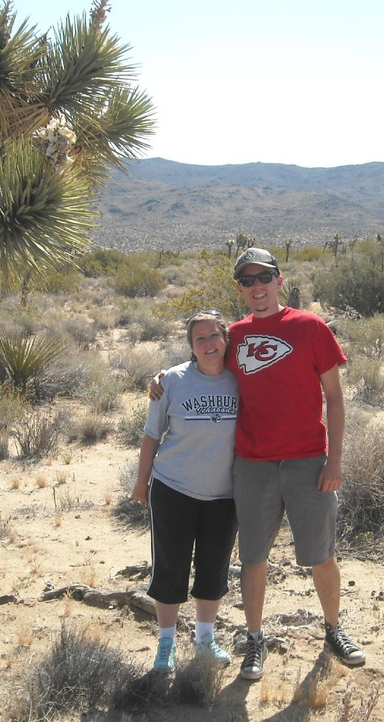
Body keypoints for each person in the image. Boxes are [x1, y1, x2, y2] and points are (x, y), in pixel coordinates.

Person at [151, 248, 366, 680]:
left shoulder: (311, 327)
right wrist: (159, 377)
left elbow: (336, 397)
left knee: (321, 554)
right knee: (253, 558)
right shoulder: (235, 336)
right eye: (247, 281)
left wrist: (335, 459)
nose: (257, 287)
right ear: (240, 289)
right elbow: (201, 362)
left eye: (264, 277)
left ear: (279, 280)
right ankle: (254, 639)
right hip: (252, 465)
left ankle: (333, 629)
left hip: (308, 460)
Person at [132, 310, 239, 673]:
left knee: (214, 569)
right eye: (200, 339)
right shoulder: (172, 381)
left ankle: (204, 640)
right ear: (191, 347)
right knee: (170, 567)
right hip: (173, 489)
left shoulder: (241, 380)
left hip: (224, 495)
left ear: (226, 338)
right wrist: (140, 482)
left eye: (214, 336)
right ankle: (166, 644)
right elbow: (151, 435)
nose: (208, 344)